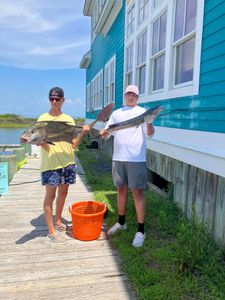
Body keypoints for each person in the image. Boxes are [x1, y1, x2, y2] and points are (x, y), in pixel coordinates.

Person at [100, 85, 154, 248]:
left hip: (136, 158)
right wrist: (104, 132)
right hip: (118, 158)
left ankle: (141, 230)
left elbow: (149, 134)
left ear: (137, 97)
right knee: (121, 189)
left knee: (137, 192)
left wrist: (149, 123)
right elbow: (109, 132)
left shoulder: (143, 113)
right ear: (125, 96)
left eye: (134, 94)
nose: (130, 96)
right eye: (128, 93)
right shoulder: (116, 114)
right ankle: (122, 222)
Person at [37, 87, 90, 242]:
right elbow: (43, 143)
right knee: (50, 196)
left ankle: (58, 220)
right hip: (51, 163)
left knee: (63, 193)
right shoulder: (42, 119)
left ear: (63, 100)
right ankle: (51, 230)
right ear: (49, 100)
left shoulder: (68, 120)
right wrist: (41, 144)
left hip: (68, 162)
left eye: (57, 99)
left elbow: (72, 145)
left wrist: (83, 133)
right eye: (52, 99)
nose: (55, 102)